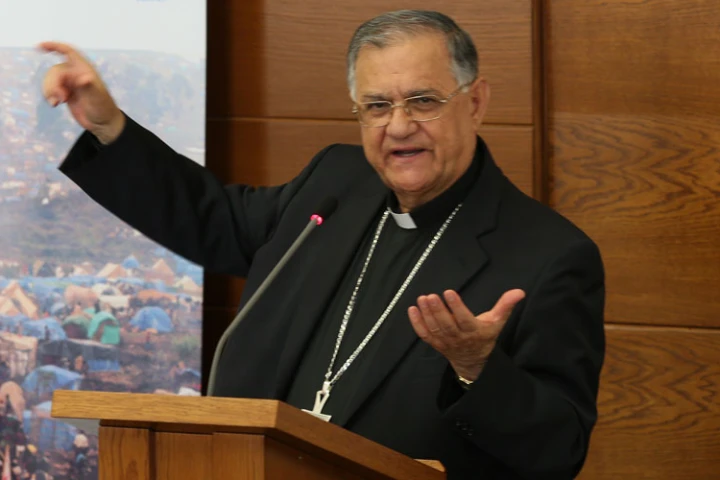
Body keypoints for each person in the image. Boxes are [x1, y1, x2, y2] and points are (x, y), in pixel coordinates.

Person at [38, 10, 605, 479]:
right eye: (377, 105)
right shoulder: (336, 183)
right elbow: (214, 219)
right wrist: (109, 127)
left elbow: (559, 450)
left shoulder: (549, 257)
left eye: (423, 101)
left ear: (475, 101)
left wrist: (477, 368)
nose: (398, 126)